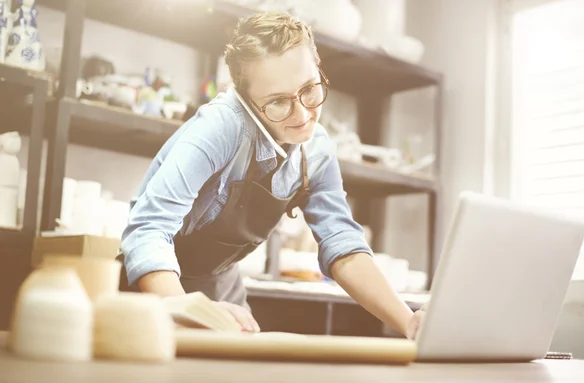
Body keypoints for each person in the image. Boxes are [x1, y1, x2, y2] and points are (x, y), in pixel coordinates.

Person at [118, 11, 425, 339]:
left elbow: (343, 245)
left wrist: (409, 323)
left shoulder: (316, 149)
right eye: (278, 102)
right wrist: (185, 309)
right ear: (246, 98)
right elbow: (148, 228)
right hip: (155, 290)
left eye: (310, 89)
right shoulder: (221, 126)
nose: (303, 114)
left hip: (220, 286)